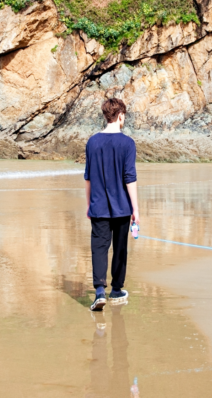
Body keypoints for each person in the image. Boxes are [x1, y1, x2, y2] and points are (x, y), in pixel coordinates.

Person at [84, 97, 139, 311]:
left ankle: (99, 291)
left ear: (106, 115)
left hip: (98, 206)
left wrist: (89, 205)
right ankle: (116, 289)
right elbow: (130, 178)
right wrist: (136, 209)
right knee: (120, 248)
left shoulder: (92, 142)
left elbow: (88, 177)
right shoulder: (127, 143)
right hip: (122, 207)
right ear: (121, 116)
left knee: (99, 248)